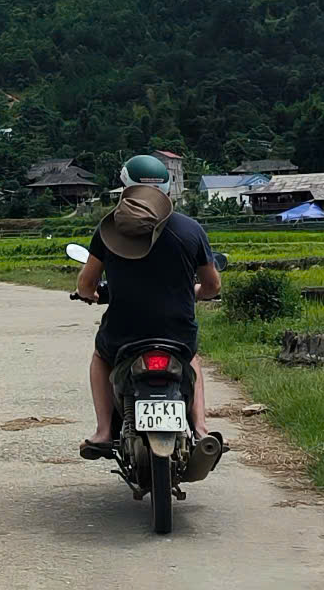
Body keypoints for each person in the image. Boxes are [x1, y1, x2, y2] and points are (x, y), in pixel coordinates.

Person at [77, 154, 223, 459]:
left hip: (123, 335)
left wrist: (91, 294)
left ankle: (104, 431)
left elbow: (85, 285)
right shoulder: (191, 230)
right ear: (168, 190)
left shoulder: (108, 230)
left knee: (100, 359)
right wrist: (193, 292)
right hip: (177, 334)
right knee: (192, 359)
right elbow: (213, 286)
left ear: (125, 188)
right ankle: (201, 429)